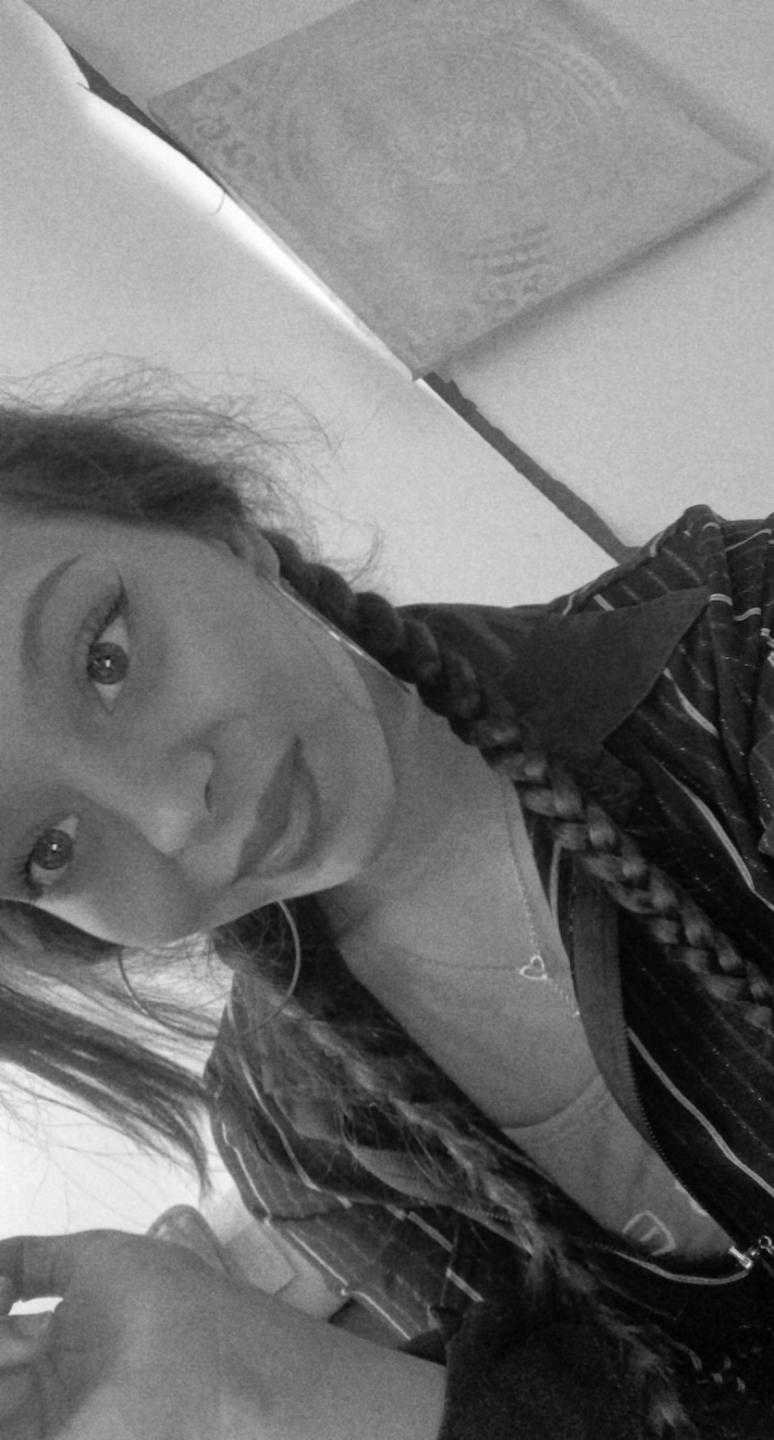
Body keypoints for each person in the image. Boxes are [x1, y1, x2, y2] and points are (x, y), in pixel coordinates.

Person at [0, 385, 773, 1439]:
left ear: (224, 537)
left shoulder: (737, 653)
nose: (172, 815)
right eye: (47, 851)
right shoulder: (298, 1129)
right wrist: (266, 1393)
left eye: (107, 659)